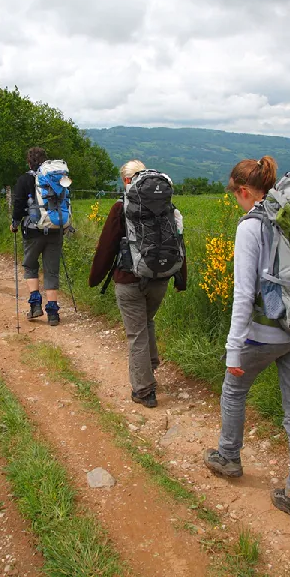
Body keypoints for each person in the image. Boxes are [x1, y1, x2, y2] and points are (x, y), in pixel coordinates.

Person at [203, 156, 290, 526]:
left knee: (234, 390)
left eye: (235, 195)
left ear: (242, 191)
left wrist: (232, 348)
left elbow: (243, 294)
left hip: (263, 333)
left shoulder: (251, 226)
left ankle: (228, 457)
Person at [88, 160, 186, 408]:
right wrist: (180, 278)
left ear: (125, 181)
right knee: (147, 321)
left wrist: (95, 277)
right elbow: (178, 243)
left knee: (136, 333)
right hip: (160, 277)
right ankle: (149, 367)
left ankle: (144, 390)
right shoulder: (167, 209)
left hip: (129, 280)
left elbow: (107, 246)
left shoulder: (121, 207)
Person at [11, 147, 64, 326]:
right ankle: (53, 313)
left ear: (29, 161)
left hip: (32, 231)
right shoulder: (56, 177)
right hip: (56, 229)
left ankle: (35, 306)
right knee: (51, 271)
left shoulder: (24, 179)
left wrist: (15, 223)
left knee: (30, 266)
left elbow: (18, 205)